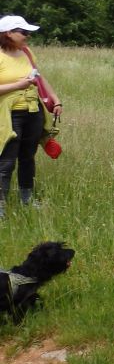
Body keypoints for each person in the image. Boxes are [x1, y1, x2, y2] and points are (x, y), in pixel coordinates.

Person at [0, 15, 62, 217]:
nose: (27, 36)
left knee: (28, 157)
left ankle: (26, 199)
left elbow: (38, 78)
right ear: (8, 33)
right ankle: (0, 207)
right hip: (9, 115)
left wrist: (55, 99)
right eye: (23, 32)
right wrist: (18, 85)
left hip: (33, 112)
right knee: (6, 161)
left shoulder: (26, 52)